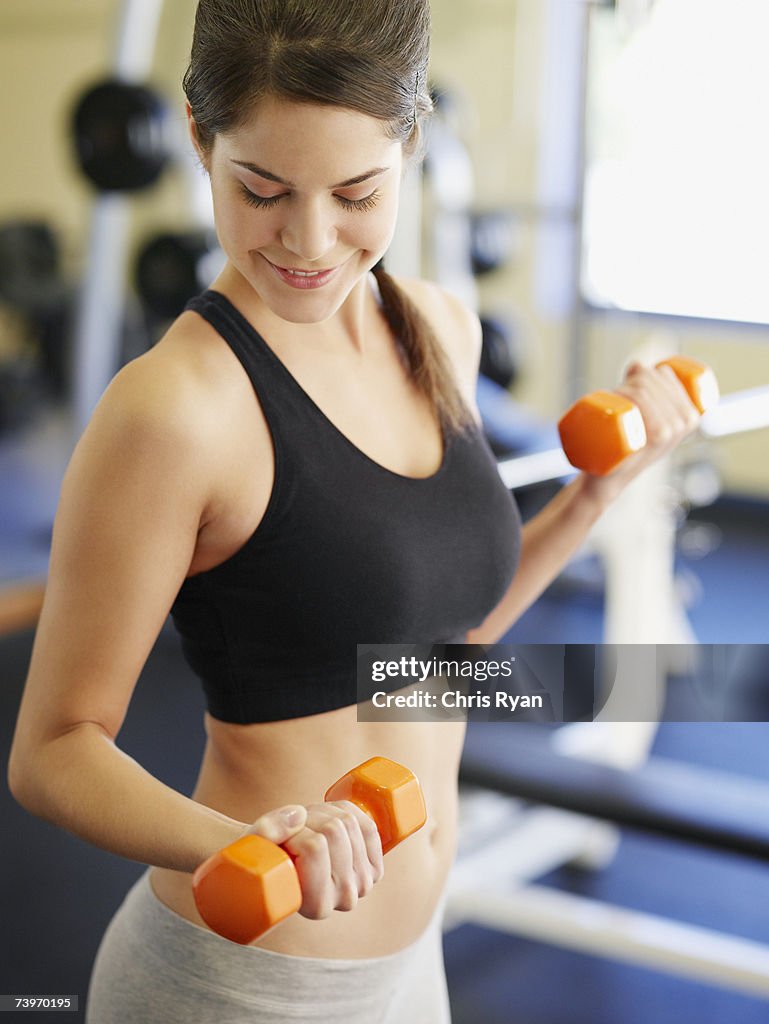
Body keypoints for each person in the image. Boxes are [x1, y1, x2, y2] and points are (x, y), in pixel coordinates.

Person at [7, 1, 703, 1021]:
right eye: (262, 188)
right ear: (199, 139)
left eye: (356, 192)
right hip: (237, 981)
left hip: (411, 966)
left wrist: (601, 489)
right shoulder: (173, 411)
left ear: (410, 146)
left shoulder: (437, 329)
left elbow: (437, 654)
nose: (309, 240)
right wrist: (244, 842)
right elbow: (54, 748)